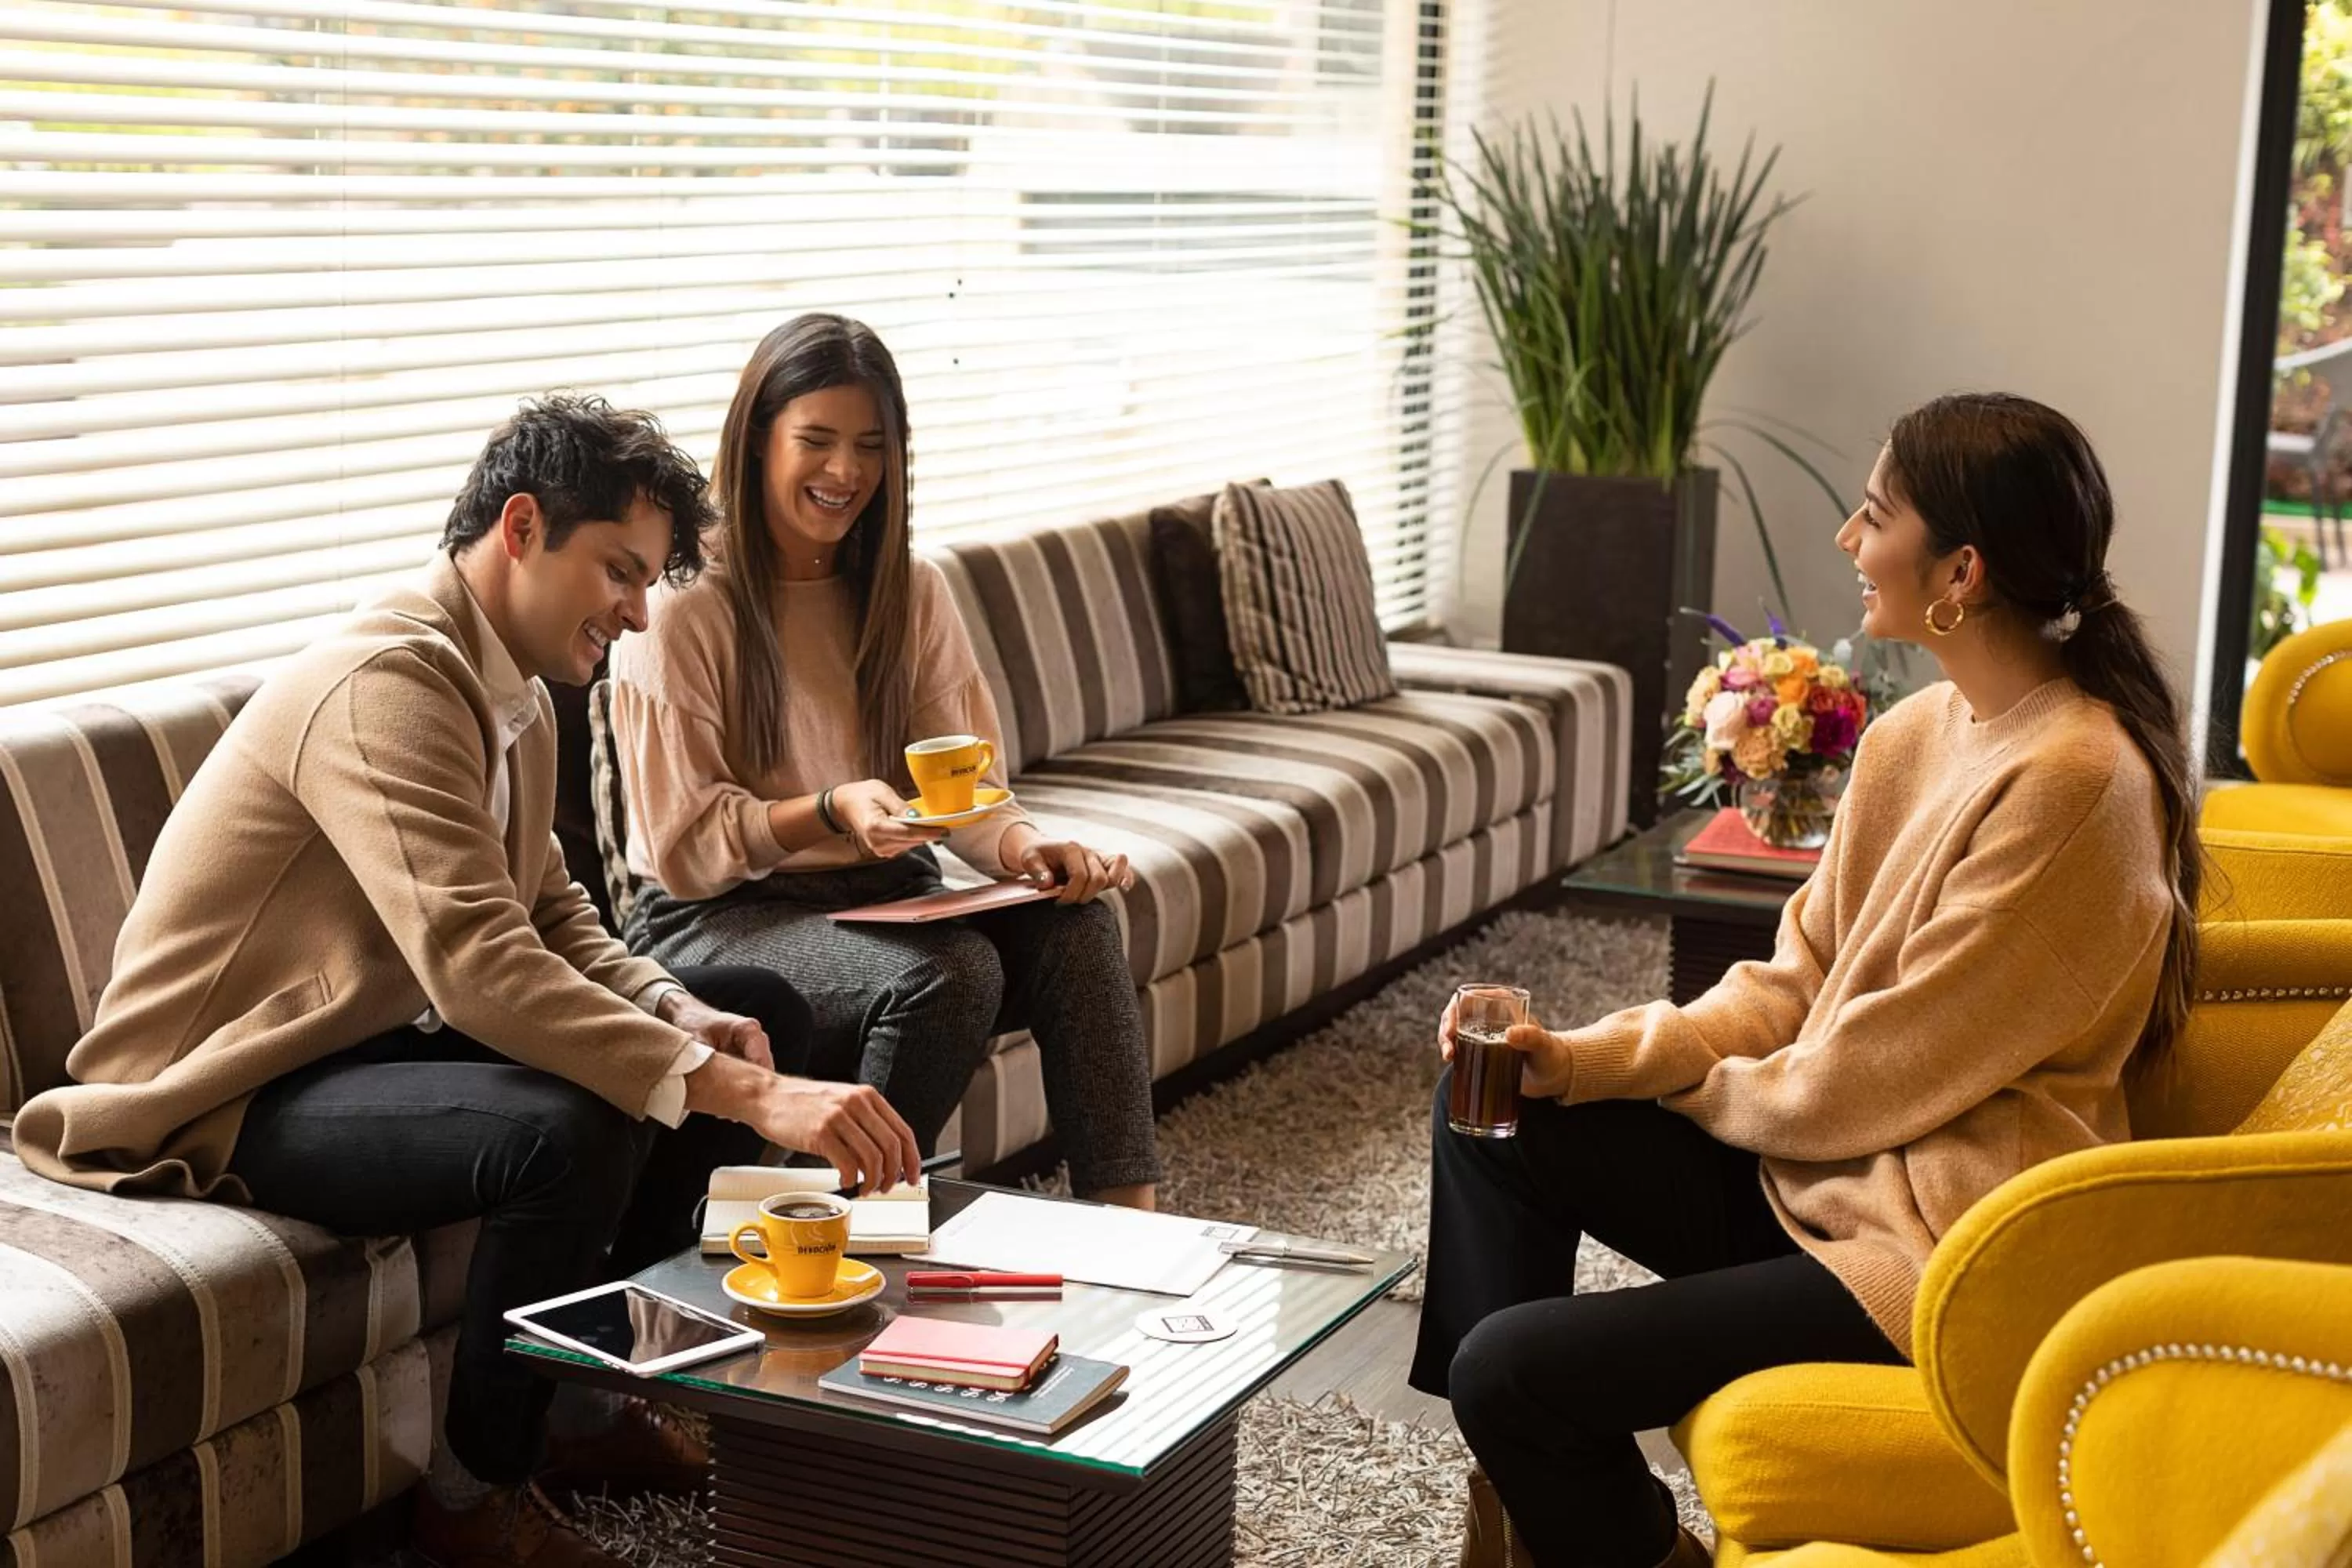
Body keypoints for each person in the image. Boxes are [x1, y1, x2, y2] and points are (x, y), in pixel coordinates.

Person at [13, 396, 924, 1568]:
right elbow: (483, 966)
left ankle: (586, 1405)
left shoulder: (518, 689)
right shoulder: (386, 686)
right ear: (524, 526)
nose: (639, 614)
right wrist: (746, 1098)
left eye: (650, 583)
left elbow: (552, 914)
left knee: (763, 1017)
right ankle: (469, 1496)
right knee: (575, 1126)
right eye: (621, 572)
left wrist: (687, 1018)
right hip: (219, 1087)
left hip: (356, 1047)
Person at [1409, 393, 2203, 1568]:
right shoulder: (1919, 729)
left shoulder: (2076, 780)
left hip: (1930, 1251)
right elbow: (1796, 981)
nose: (1846, 537)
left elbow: (1871, 1072)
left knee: (1511, 1366)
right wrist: (1576, 1060)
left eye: (1875, 514)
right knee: (1493, 1112)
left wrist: (1673, 1089)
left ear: (1963, 571)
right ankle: (1521, 1511)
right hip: (1820, 1180)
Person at [608, 312, 1163, 1209]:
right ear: (755, 441)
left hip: (882, 894)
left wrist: (1026, 849)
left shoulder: (909, 592)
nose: (846, 472)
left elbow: (968, 791)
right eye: (816, 441)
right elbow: (684, 846)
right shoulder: (684, 606)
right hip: (720, 912)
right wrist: (829, 808)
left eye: (871, 445)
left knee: (1080, 925)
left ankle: (1134, 1230)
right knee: (952, 971)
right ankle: (833, 1237)